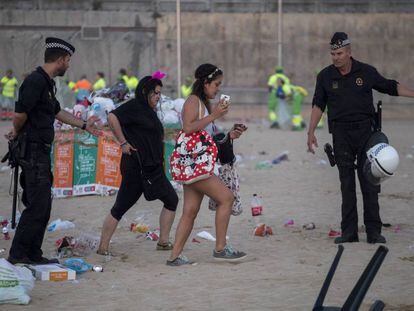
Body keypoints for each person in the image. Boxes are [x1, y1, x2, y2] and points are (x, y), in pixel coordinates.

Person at [307, 32, 414, 244]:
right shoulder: (325, 76)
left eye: (339, 53)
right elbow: (318, 104)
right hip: (341, 134)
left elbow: (390, 86)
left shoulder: (365, 72)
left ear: (349, 52)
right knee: (346, 184)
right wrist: (310, 132)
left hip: (366, 133)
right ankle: (349, 233)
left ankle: (374, 232)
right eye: (332, 54)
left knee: (370, 183)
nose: (335, 57)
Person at [6, 37, 100, 264]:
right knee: (37, 205)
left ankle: (33, 254)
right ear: (60, 60)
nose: (68, 65)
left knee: (42, 204)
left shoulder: (47, 83)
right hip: (32, 151)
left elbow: (57, 111)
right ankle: (18, 255)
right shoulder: (35, 81)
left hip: (40, 152)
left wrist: (85, 125)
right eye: (67, 61)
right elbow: (20, 114)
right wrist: (17, 132)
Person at [167, 63, 247, 266]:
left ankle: (174, 256)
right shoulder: (194, 100)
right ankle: (220, 248)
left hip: (193, 165)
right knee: (226, 198)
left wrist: (230, 135)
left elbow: (205, 137)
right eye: (216, 84)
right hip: (195, 166)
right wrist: (214, 116)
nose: (218, 88)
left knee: (190, 211)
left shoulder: (202, 103)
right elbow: (187, 127)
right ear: (205, 82)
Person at [97, 75, 178, 256]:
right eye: (155, 93)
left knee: (171, 200)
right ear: (145, 92)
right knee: (120, 207)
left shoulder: (150, 110)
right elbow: (111, 117)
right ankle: (103, 247)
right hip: (138, 167)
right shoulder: (134, 106)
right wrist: (123, 142)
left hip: (153, 169)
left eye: (160, 93)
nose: (158, 97)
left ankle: (163, 241)